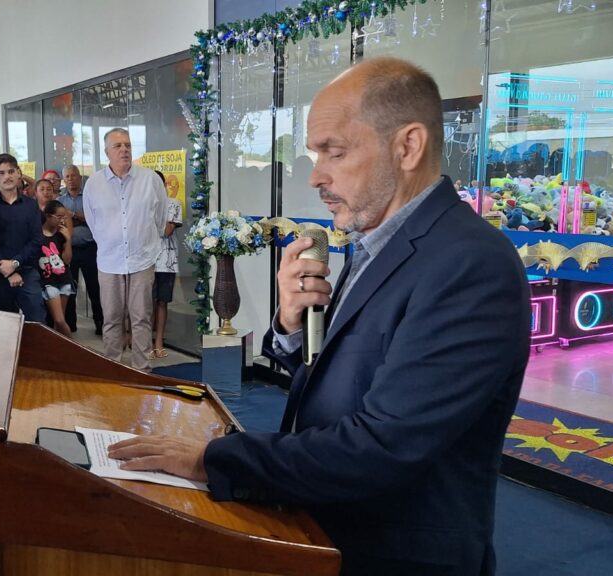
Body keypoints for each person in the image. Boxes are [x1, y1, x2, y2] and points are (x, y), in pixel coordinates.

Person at [108, 58, 531, 576]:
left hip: (394, 554)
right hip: (325, 527)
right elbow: (341, 381)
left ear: (408, 146)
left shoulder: (471, 264)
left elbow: (381, 446)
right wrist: (289, 327)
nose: (315, 177)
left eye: (334, 151)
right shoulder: (373, 242)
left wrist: (213, 459)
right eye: (315, 153)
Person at [83, 128, 165, 371]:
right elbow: (92, 222)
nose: (124, 150)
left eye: (127, 145)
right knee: (111, 320)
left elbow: (159, 220)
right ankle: (113, 369)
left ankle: (142, 371)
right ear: (107, 152)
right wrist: (111, 241)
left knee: (141, 319)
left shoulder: (150, 180)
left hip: (141, 260)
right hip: (109, 262)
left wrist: (146, 244)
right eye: (118, 146)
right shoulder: (93, 184)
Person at [0, 153, 46, 323]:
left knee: (37, 322)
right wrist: (6, 270)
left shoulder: (31, 205)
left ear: (18, 173)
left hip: (27, 271)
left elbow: (37, 239)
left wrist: (15, 264)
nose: (7, 176)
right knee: (5, 326)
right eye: (1, 173)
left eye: (10, 171)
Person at [58, 164, 103, 335]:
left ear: (80, 177)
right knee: (70, 289)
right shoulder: (60, 201)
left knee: (95, 288)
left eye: (73, 175)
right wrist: (76, 220)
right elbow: (59, 223)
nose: (70, 179)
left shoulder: (90, 197)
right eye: (67, 176)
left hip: (90, 248)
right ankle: (71, 325)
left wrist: (75, 216)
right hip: (69, 250)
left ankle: (100, 323)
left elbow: (96, 220)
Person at [150, 170, 182, 360]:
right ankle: (142, 341)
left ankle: (159, 342)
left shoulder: (173, 204)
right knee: (143, 304)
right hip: (144, 260)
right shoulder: (141, 204)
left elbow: (167, 230)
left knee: (162, 302)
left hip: (165, 262)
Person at [37, 200, 74, 337]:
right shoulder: (37, 234)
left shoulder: (61, 235)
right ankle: (74, 349)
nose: (62, 220)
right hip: (48, 281)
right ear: (48, 216)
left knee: (59, 321)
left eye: (64, 217)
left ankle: (60, 350)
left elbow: (67, 260)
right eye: (59, 217)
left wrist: (68, 240)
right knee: (59, 319)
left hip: (64, 279)